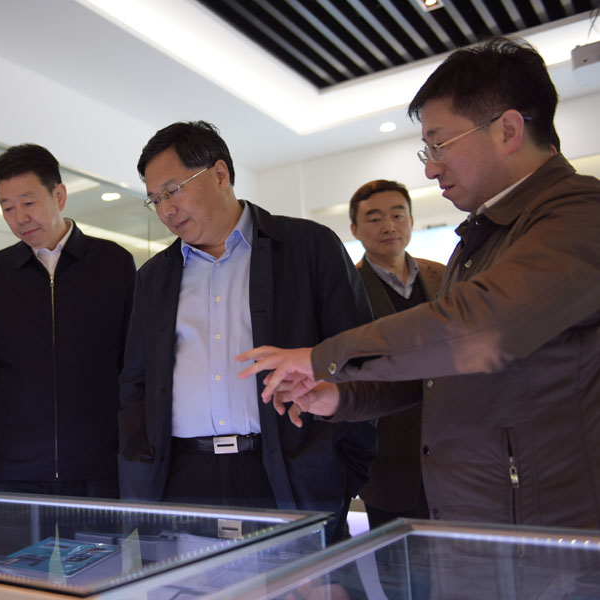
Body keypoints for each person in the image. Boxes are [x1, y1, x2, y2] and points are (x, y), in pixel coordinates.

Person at [238, 38, 600, 529]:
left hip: (549, 528)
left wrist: (323, 356)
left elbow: (482, 329)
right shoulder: (482, 236)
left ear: (508, 130)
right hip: (478, 514)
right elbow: (436, 373)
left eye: (439, 144)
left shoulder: (579, 213)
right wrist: (342, 395)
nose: (430, 167)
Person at [118, 121, 376, 543]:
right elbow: (136, 385)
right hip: (184, 476)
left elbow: (358, 357)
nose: (165, 210)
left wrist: (343, 470)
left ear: (220, 174)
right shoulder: (154, 277)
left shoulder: (308, 247)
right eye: (155, 200)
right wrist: (140, 470)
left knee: (294, 577)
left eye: (173, 190)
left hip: (287, 472)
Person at [0, 144, 136, 499]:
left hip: (99, 465)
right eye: (7, 208)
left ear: (59, 195)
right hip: (12, 469)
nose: (19, 218)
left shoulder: (113, 263)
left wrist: (137, 453)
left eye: (28, 202)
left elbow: (134, 366)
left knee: (101, 542)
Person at [348, 179, 445, 529]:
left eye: (398, 215)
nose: (389, 226)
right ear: (355, 230)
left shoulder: (442, 274)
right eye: (374, 218)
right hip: (388, 457)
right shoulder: (346, 287)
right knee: (399, 558)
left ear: (411, 221)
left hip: (452, 451)